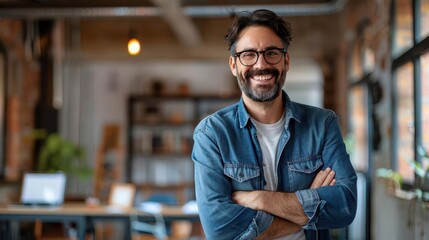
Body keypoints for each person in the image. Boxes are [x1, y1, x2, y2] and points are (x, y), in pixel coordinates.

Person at [192, 9, 357, 240]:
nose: (261, 64)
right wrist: (302, 214)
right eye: (248, 54)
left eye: (271, 53)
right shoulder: (212, 134)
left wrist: (260, 199)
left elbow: (345, 205)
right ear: (233, 65)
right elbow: (218, 228)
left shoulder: (322, 125)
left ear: (286, 61)